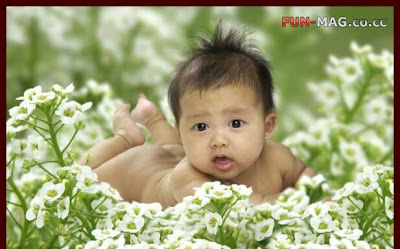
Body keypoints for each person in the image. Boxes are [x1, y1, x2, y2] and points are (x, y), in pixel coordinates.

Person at [79, 22, 316, 207]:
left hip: (173, 154)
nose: (219, 140)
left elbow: (307, 177)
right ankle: (126, 138)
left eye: (235, 123)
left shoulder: (279, 158)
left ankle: (153, 119)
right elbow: (245, 209)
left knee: (174, 151)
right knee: (81, 177)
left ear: (267, 126)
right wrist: (299, 202)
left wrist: (317, 194)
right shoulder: (188, 181)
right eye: (201, 127)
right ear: (180, 131)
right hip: (135, 171)